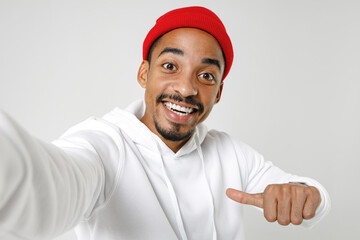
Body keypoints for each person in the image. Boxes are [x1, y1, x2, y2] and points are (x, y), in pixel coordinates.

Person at [0, 6, 330, 240]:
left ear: (218, 93)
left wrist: (306, 196)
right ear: (145, 73)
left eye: (205, 75)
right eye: (170, 66)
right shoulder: (103, 145)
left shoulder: (231, 154)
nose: (186, 88)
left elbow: (313, 197)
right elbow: (48, 187)